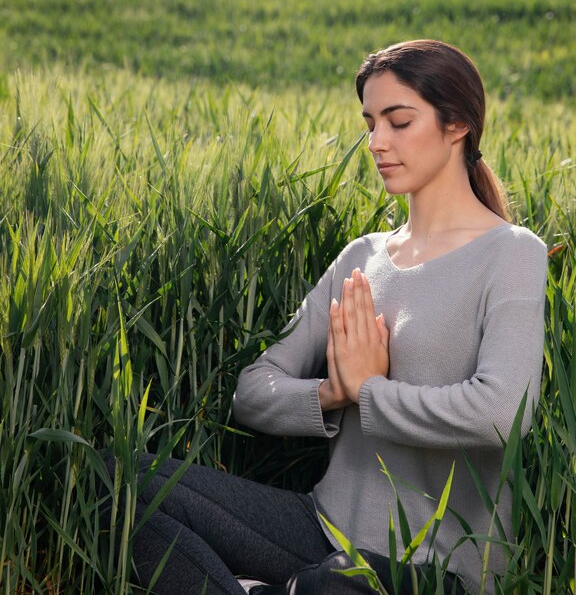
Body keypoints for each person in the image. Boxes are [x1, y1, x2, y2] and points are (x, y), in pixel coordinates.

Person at [113, 40, 547, 595]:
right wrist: (332, 394)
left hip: (434, 567)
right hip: (322, 526)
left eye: (398, 121)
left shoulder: (511, 252)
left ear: (457, 123)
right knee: (116, 481)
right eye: (370, 123)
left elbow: (502, 412)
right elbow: (251, 391)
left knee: (333, 586)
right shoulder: (361, 257)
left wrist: (369, 390)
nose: (377, 143)